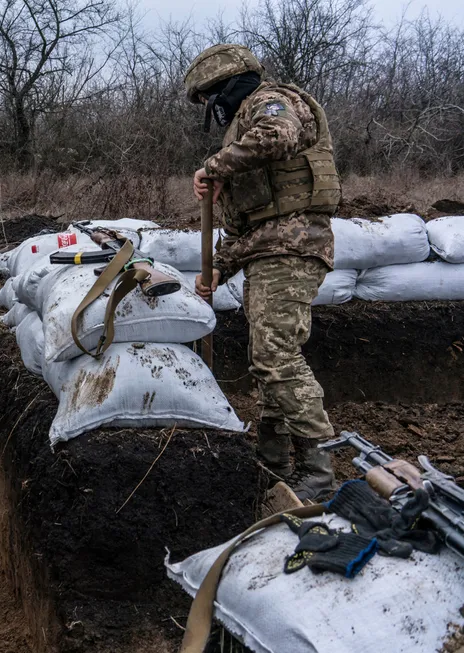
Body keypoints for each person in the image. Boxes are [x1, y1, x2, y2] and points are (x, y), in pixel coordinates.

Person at [184, 44, 341, 501]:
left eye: (211, 101)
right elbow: (253, 226)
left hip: (293, 251)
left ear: (224, 88)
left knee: (276, 357)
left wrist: (213, 166)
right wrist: (218, 268)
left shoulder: (270, 103)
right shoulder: (242, 129)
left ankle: (318, 469)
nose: (214, 112)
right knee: (267, 357)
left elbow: (280, 135)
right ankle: (273, 459)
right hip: (268, 253)